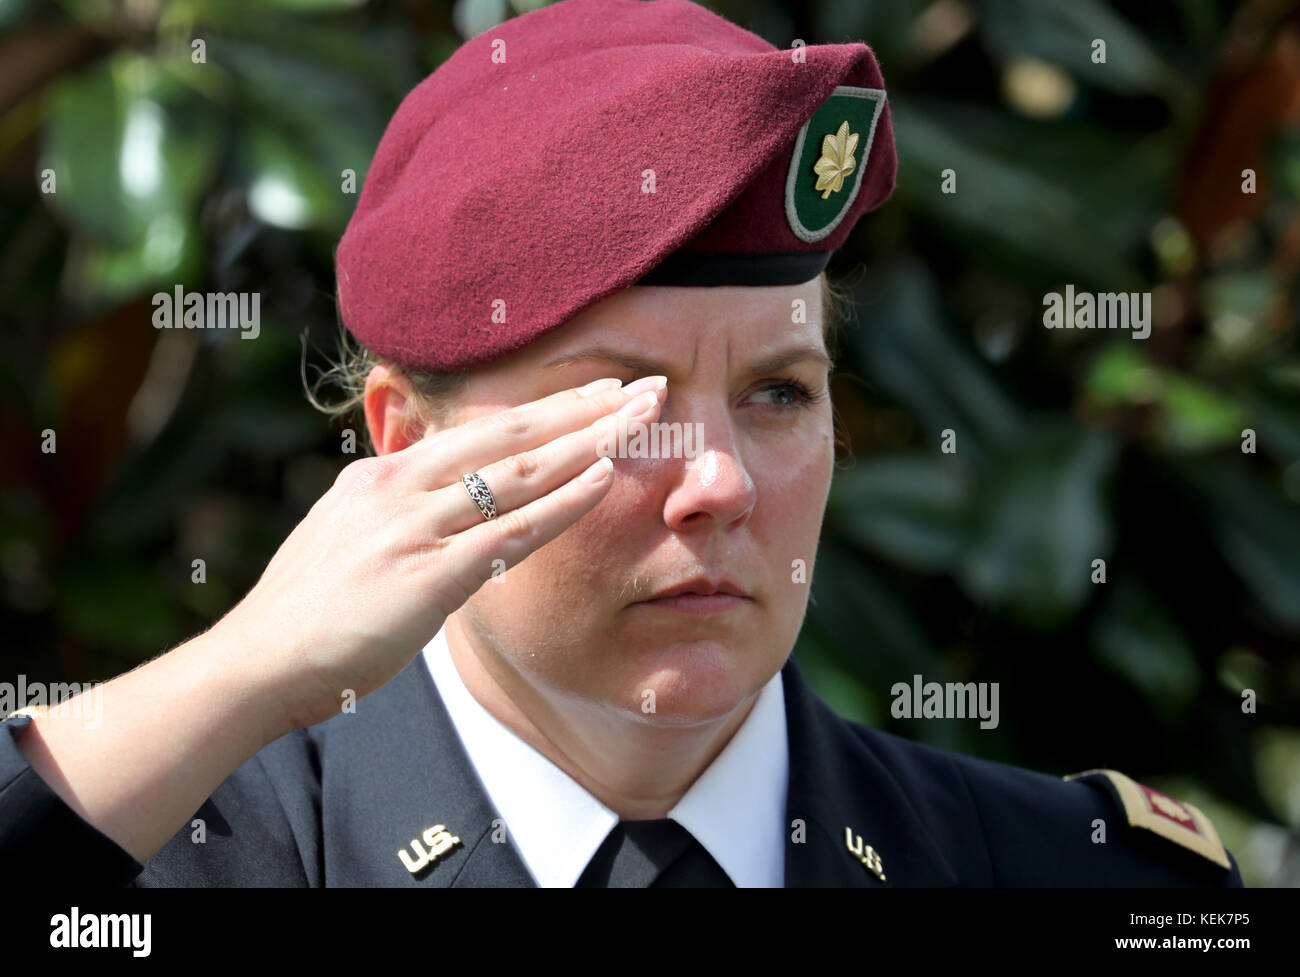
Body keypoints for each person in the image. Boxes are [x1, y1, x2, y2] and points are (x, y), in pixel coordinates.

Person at [0, 0, 1241, 888]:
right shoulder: (176, 861)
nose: (719, 483)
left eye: (776, 393)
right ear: (402, 443)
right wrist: (242, 674)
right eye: (622, 402)